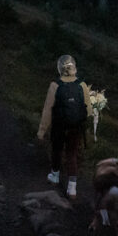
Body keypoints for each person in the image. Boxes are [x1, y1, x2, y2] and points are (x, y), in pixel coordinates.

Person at [37, 54, 92, 198]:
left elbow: (47, 111)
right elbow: (89, 111)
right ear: (74, 67)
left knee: (57, 149)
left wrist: (41, 132)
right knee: (72, 153)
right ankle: (72, 188)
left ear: (60, 68)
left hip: (59, 125)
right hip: (76, 127)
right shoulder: (82, 85)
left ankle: (55, 176)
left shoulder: (55, 85)